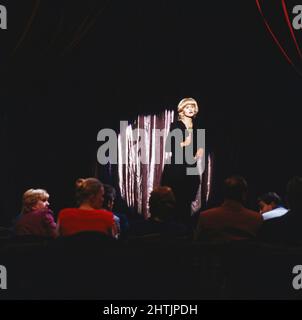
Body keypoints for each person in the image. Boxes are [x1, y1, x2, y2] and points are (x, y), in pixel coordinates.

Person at [161, 98, 204, 225]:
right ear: (182, 110)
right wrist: (185, 143)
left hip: (191, 166)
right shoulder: (175, 125)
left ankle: (185, 230)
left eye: (192, 106)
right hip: (177, 168)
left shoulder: (198, 126)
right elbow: (171, 146)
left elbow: (200, 144)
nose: (190, 109)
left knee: (187, 201)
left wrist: (200, 149)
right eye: (187, 107)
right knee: (175, 201)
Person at [195, 176, 262, 242]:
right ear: (243, 194)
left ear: (223, 193)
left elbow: (196, 244)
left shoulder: (205, 216)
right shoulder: (257, 219)